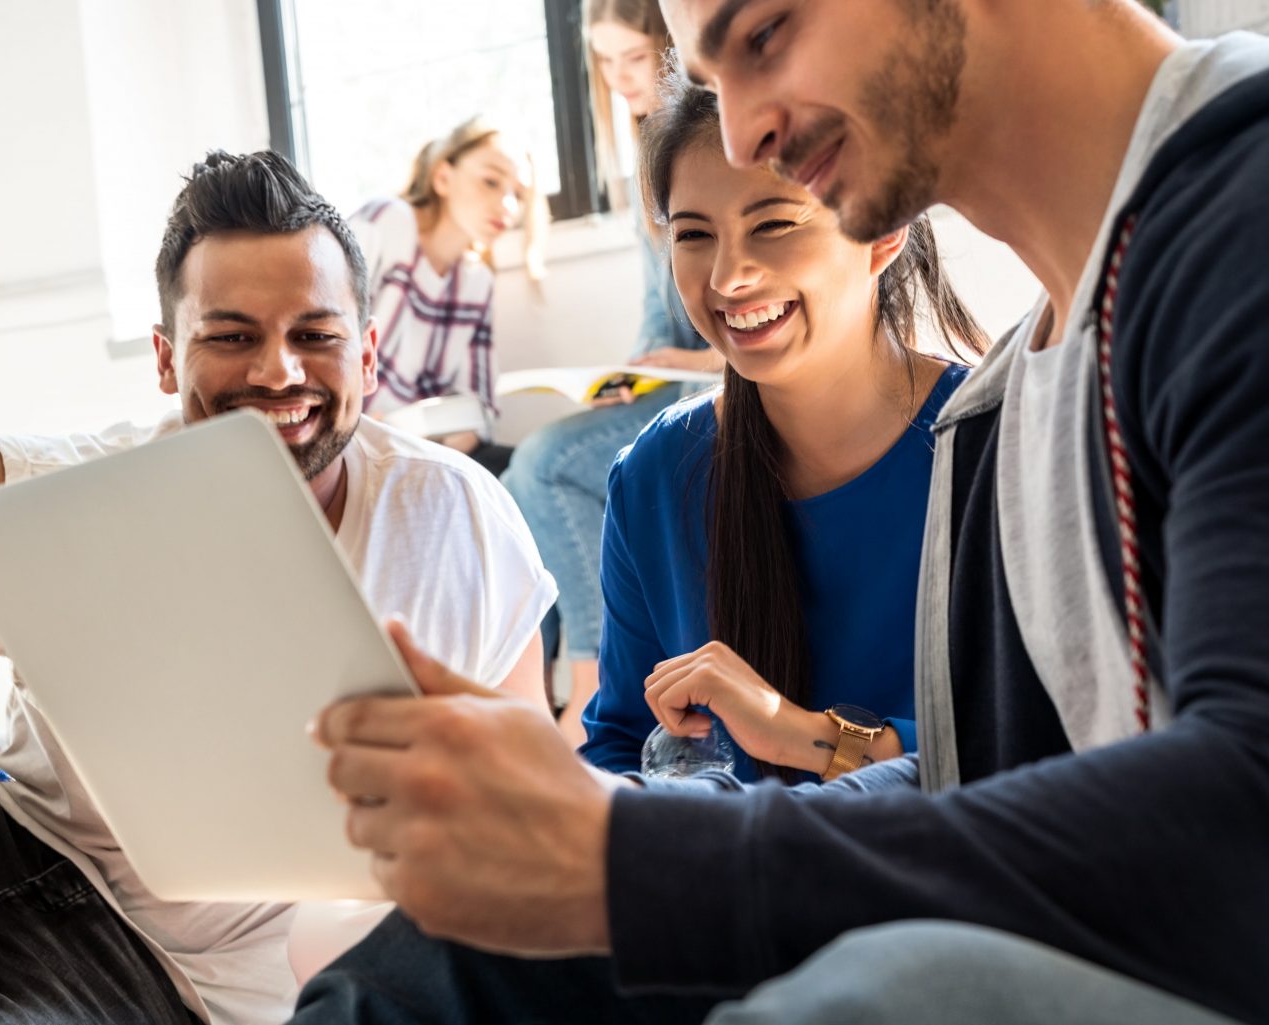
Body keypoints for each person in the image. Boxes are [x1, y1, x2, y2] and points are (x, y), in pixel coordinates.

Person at [290, 3, 1269, 1024]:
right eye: (716, 73)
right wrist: (608, 828)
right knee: (423, 974)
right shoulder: (1001, 410)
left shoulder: (1238, 211)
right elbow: (972, 784)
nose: (744, 127)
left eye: (764, 32)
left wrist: (650, 866)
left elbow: (1245, 824)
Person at [0, 149, 554, 1024]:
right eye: (232, 336)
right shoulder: (75, 477)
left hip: (145, 972)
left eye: (315, 334)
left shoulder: (458, 514)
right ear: (167, 358)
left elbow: (535, 793)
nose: (278, 372)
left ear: (370, 355)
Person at [581, 81, 985, 783]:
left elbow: (1035, 752)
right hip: (730, 890)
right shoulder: (653, 476)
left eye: (773, 224)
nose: (730, 276)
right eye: (694, 235)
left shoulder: (989, 445)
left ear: (885, 226)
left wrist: (798, 734)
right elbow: (619, 751)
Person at [503, 0, 719, 742]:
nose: (618, 78)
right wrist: (625, 377)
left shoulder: (723, 144)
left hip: (724, 376)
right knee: (518, 480)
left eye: (633, 58)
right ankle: (545, 685)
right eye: (605, 62)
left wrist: (691, 360)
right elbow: (659, 321)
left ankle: (587, 683)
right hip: (685, 379)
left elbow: (747, 318)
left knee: (542, 461)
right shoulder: (643, 167)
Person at [350, 116, 547, 477]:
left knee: (532, 473)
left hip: (424, 447)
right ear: (443, 177)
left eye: (518, 194)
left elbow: (480, 399)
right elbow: (321, 328)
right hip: (353, 436)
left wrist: (463, 435)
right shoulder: (387, 223)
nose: (507, 204)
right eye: (490, 182)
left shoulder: (477, 282)